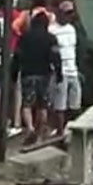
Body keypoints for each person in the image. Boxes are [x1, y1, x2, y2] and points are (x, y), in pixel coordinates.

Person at [16, 12, 61, 143]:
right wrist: (59, 73)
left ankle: (30, 128)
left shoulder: (24, 37)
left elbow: (17, 56)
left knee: (27, 104)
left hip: (27, 73)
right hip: (44, 74)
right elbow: (55, 57)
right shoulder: (51, 38)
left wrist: (14, 72)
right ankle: (39, 131)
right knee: (43, 105)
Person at [49, 0, 82, 134]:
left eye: (70, 13)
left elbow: (73, 49)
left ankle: (73, 129)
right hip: (59, 71)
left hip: (72, 69)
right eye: (66, 13)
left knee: (75, 103)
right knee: (60, 104)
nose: (68, 16)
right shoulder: (52, 30)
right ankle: (60, 131)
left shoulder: (71, 29)